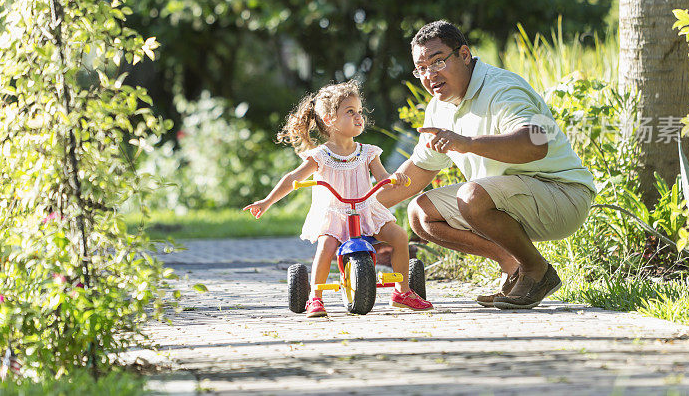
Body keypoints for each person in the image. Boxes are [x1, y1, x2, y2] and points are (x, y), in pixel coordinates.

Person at [377, 20, 596, 310]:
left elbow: (536, 143)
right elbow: (417, 171)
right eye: (421, 68)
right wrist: (362, 207)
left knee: (472, 195)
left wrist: (467, 143)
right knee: (421, 214)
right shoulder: (439, 107)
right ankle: (513, 264)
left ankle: (537, 272)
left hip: (561, 194)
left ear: (464, 55)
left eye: (438, 61)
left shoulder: (503, 88)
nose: (430, 75)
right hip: (508, 199)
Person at [244, 80, 433, 317]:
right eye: (350, 111)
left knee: (399, 235)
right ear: (328, 118)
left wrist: (395, 178)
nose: (359, 117)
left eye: (360, 111)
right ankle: (316, 297)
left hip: (365, 210)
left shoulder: (368, 152)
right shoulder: (321, 156)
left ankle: (401, 291)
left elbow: (383, 176)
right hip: (334, 213)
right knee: (326, 246)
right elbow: (293, 178)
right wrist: (267, 201)